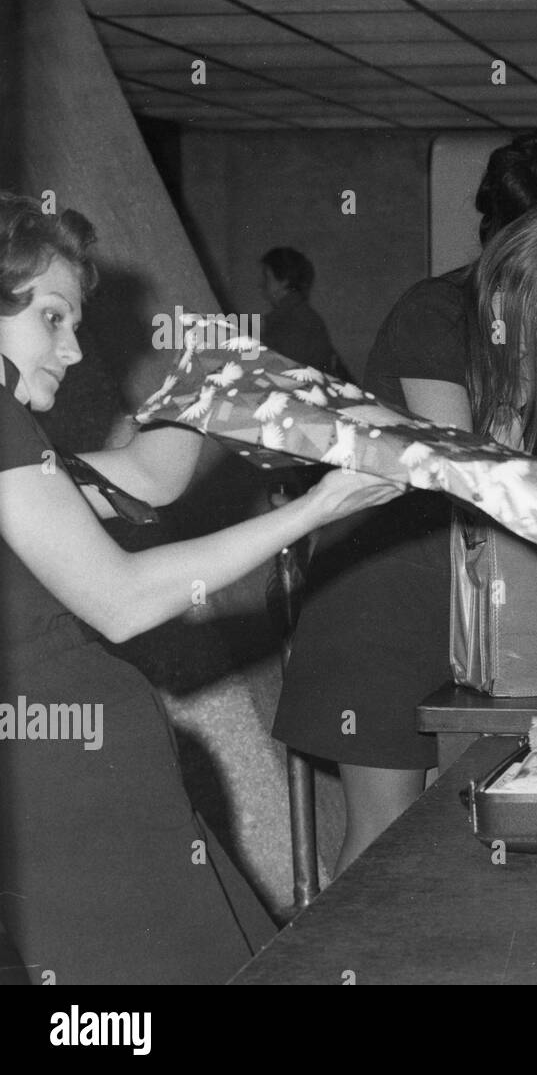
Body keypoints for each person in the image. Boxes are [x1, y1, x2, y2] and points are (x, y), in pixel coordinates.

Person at [0, 192, 402, 983]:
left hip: (76, 787)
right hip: (69, 797)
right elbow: (119, 600)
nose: (74, 350)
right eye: (52, 316)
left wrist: (221, 385)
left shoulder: (17, 433)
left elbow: (149, 475)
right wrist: (318, 508)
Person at [274, 133, 537, 874]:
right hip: (383, 600)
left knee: (439, 846)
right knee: (384, 849)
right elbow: (465, 468)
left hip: (463, 608)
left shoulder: (534, 338)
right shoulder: (437, 313)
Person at [260, 246, 349, 379]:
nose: (261, 284)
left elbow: (286, 376)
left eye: (267, 277)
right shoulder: (301, 316)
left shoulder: (293, 321)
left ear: (284, 281)